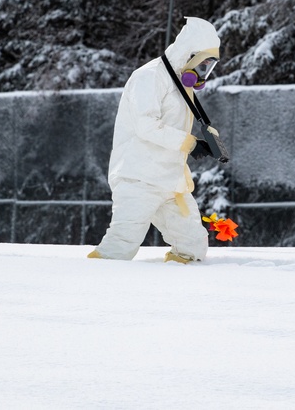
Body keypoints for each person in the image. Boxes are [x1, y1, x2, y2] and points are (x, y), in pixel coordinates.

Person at [89, 16, 222, 264]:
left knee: (193, 247)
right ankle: (90, 295)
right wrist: (190, 143)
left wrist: (203, 141)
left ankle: (170, 295)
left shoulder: (181, 84)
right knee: (121, 246)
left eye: (209, 67)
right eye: (202, 65)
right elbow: (146, 125)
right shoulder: (148, 77)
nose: (204, 73)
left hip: (171, 183)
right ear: (188, 55)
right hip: (139, 179)